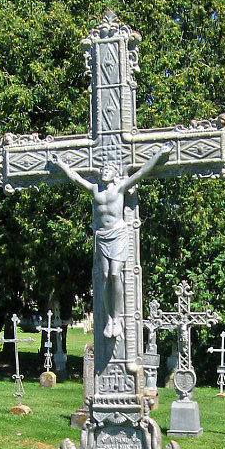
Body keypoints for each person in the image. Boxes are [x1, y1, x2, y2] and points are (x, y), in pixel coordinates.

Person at [50, 145, 171, 338]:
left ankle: (117, 318)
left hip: (118, 233)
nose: (104, 172)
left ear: (115, 174)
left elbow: (142, 172)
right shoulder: (94, 190)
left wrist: (158, 154)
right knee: (105, 276)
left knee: (116, 274)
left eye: (108, 170)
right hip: (102, 236)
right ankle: (109, 318)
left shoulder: (120, 188)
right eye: (103, 170)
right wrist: (61, 164)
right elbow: (75, 178)